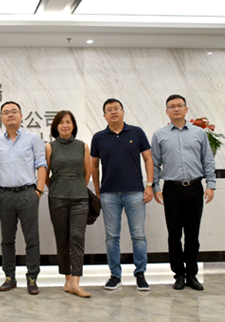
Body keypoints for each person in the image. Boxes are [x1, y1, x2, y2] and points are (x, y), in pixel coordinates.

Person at [151, 94, 216, 291]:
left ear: (186, 109)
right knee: (174, 235)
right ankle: (178, 274)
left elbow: (208, 160)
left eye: (179, 105)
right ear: (167, 111)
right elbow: (154, 164)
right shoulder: (159, 135)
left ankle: (192, 274)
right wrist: (155, 187)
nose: (176, 109)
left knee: (192, 235)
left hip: (195, 188)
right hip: (172, 189)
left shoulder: (199, 133)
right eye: (171, 106)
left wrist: (211, 184)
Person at [91, 98, 154, 291]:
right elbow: (94, 166)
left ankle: (140, 274)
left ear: (123, 112)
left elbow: (148, 159)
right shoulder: (99, 137)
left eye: (116, 108)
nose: (113, 112)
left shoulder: (136, 132)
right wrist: (97, 189)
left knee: (138, 235)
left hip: (135, 192)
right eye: (109, 110)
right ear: (104, 116)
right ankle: (115, 275)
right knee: (112, 236)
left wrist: (149, 185)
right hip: (109, 194)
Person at [0, 101, 46, 295]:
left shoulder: (33, 139)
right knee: (7, 239)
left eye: (14, 111)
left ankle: (32, 278)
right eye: (6, 112)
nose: (10, 115)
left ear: (21, 116)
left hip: (28, 193)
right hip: (5, 195)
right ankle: (9, 277)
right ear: (1, 118)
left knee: (32, 238)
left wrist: (38, 191)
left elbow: (41, 165)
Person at [45, 110, 91, 298]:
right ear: (56, 127)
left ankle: (76, 282)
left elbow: (87, 173)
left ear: (73, 126)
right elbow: (45, 174)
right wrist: (56, 187)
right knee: (62, 239)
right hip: (57, 199)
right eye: (61, 122)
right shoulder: (50, 147)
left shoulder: (82, 146)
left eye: (68, 122)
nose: (65, 125)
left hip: (79, 198)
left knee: (77, 238)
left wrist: (77, 187)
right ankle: (67, 278)